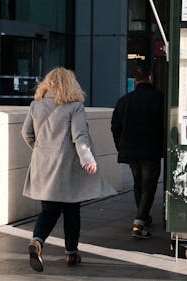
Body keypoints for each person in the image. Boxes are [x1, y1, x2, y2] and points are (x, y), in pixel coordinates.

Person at [21, 67, 117, 272]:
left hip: (42, 167)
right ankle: (71, 253)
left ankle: (37, 242)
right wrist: (87, 160)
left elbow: (26, 133)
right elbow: (79, 137)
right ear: (70, 84)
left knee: (49, 210)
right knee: (72, 210)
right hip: (66, 169)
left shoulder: (35, 105)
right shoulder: (74, 107)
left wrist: (41, 151)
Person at [111, 64, 164, 239]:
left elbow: (115, 127)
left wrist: (121, 146)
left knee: (138, 183)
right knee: (149, 185)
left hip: (131, 150)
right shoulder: (159, 98)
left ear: (135, 80)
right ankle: (139, 222)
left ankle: (143, 217)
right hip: (151, 149)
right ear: (150, 77)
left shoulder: (124, 100)